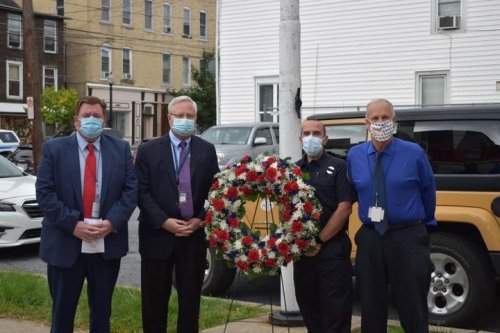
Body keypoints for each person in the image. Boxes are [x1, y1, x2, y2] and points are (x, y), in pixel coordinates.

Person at [36, 96, 137, 333]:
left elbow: (130, 191)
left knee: (102, 313)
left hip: (106, 243)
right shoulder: (54, 149)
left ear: (104, 120)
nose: (92, 120)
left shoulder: (120, 149)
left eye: (97, 116)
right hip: (66, 242)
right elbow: (45, 193)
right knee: (62, 314)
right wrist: (73, 224)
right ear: (76, 121)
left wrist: (112, 222)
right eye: (86, 116)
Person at [347, 98, 436, 333]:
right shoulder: (355, 156)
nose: (380, 122)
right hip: (371, 238)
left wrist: (422, 226)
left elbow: (428, 191)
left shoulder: (414, 153)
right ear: (366, 123)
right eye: (375, 118)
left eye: (385, 117)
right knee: (371, 307)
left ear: (394, 122)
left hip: (407, 238)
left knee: (412, 308)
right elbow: (352, 192)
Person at [135, 95, 219, 333]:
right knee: (154, 302)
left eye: (189, 116)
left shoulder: (207, 150)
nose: (185, 120)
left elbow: (216, 191)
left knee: (191, 302)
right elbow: (142, 192)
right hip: (157, 235)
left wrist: (200, 218)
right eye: (180, 116)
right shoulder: (148, 150)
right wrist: (163, 221)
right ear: (169, 119)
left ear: (195, 119)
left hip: (192, 236)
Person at [293, 119, 355, 333]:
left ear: (325, 138)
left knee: (335, 315)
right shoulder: (293, 171)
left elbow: (344, 207)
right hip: (303, 254)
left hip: (332, 251)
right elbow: (287, 210)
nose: (311, 138)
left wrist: (318, 240)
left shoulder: (339, 167)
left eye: (316, 133)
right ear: (300, 139)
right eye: (307, 133)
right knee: (310, 312)